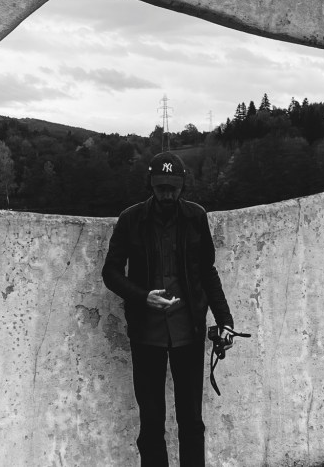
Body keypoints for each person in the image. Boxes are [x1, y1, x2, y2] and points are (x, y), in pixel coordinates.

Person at [102, 151, 235, 467]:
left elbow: (207, 272)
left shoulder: (196, 216)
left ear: (182, 185)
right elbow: (111, 272)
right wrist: (142, 296)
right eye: (161, 187)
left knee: (192, 420)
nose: (167, 194)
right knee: (151, 422)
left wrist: (225, 320)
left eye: (172, 188)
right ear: (150, 184)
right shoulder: (131, 219)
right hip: (146, 333)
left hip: (189, 331)